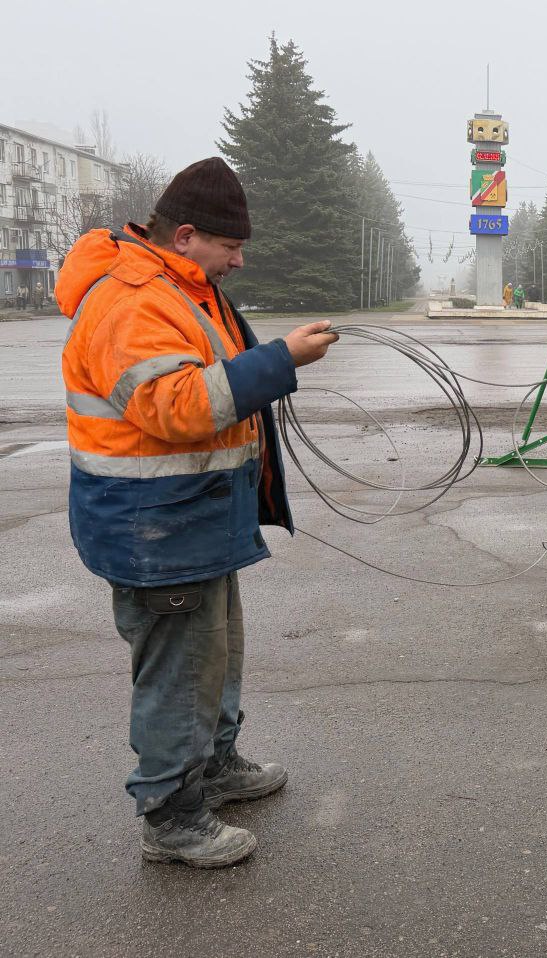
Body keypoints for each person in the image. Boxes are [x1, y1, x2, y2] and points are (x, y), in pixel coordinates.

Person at [58, 157, 340, 869]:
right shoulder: (131, 300)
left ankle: (213, 767)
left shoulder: (182, 286)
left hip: (194, 521)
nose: (239, 262)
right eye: (230, 248)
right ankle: (171, 817)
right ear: (185, 235)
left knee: (214, 657)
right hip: (155, 528)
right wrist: (282, 359)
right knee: (180, 675)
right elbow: (177, 407)